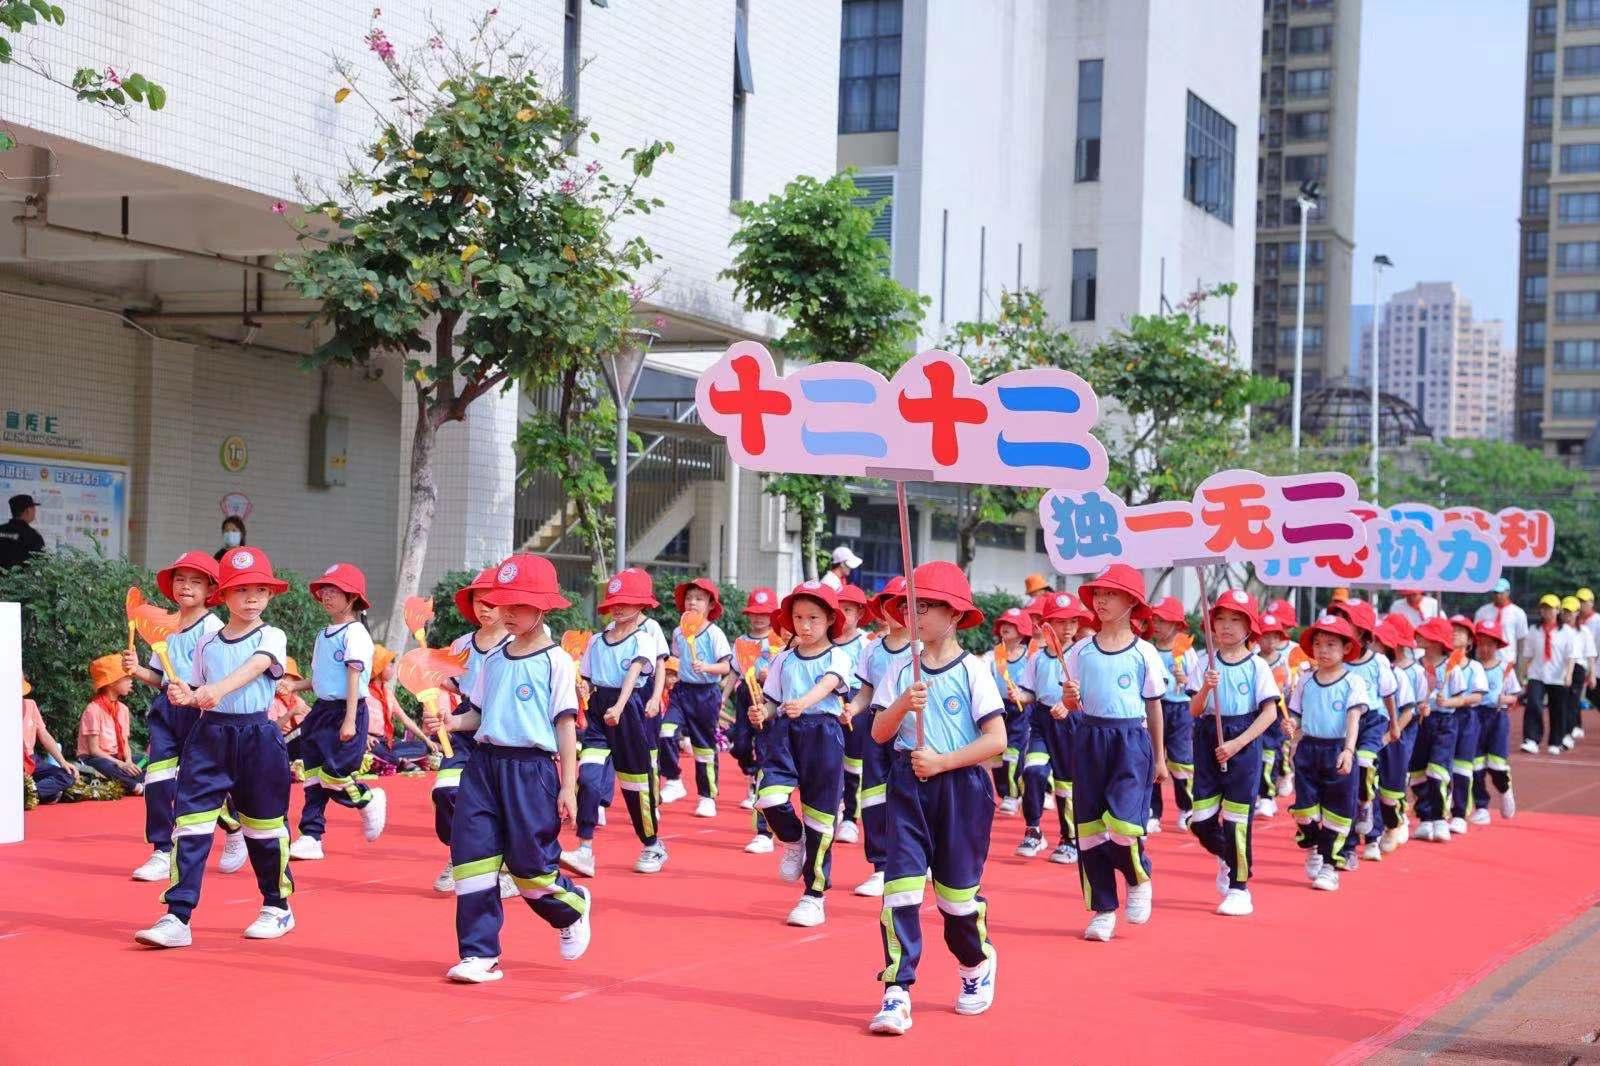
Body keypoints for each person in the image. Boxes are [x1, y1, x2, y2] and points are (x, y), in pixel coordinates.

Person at [134, 546, 297, 948]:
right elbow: (192, 688)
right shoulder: (206, 642)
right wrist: (183, 695)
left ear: (271, 595)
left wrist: (212, 690)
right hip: (209, 739)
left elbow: (256, 667)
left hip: (258, 739)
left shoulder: (271, 634)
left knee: (264, 830)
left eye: (261, 589)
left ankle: (277, 907)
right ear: (223, 595)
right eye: (241, 590)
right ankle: (178, 915)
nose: (253, 598)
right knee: (189, 825)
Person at [442, 554, 592, 983]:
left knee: (530, 870)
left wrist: (568, 786)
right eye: (501, 603)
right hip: (484, 767)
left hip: (532, 773)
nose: (505, 612)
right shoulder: (493, 659)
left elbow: (566, 727)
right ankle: (478, 953)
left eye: (516, 605)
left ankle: (573, 907)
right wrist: (452, 721)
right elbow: (478, 713)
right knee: (471, 860)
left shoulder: (556, 661)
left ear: (542, 607)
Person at [867, 561, 1003, 1035]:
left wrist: (944, 762)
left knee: (956, 900)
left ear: (954, 614)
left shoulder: (974, 670)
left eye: (927, 606)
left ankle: (975, 964)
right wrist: (905, 701)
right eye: (911, 605)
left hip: (961, 787)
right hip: (907, 785)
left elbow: (996, 740)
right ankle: (897, 990)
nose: (915, 613)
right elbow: (880, 731)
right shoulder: (901, 668)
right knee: (900, 889)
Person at [123, 551, 245, 883]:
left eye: (195, 581)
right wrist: (137, 672)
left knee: (196, 785)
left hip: (199, 711)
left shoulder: (214, 627)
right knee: (157, 779)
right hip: (166, 709)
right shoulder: (165, 626)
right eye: (180, 579)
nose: (186, 587)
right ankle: (162, 850)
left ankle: (234, 829)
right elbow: (158, 675)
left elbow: (219, 679)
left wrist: (197, 697)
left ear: (210, 591)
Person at [1064, 564, 1168, 942]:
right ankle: (1103, 908)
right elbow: (1071, 700)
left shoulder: (1144, 653)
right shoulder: (1080, 650)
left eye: (1111, 594)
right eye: (1098, 594)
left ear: (1132, 602)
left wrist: (1159, 757)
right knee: (1090, 831)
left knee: (1124, 826)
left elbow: (1154, 706)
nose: (1101, 600)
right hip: (1089, 737)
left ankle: (1138, 878)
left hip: (1130, 741)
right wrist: (1069, 699)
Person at [751, 579, 854, 927]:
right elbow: (772, 701)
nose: (805, 626)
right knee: (768, 798)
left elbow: (828, 685)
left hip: (823, 734)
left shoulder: (838, 655)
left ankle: (814, 895)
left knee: (820, 820)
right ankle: (792, 841)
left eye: (813, 618)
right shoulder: (782, 660)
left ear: (829, 620)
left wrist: (803, 703)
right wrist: (761, 712)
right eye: (798, 618)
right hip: (784, 734)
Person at [1186, 590, 1282, 917]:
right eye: (1221, 619)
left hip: (1242, 740)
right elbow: (1194, 710)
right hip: (1207, 738)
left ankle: (1240, 887)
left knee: (1238, 819)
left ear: (1249, 627)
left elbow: (1270, 713)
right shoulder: (1204, 661)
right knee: (1200, 820)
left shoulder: (1257, 665)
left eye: (1235, 620)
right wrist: (1205, 688)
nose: (1225, 627)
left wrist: (1238, 743)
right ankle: (1229, 857)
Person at [286, 563, 386, 858]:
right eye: (324, 591)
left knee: (335, 775)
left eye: (334, 591)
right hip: (322, 710)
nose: (327, 597)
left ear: (352, 598)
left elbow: (354, 678)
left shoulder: (355, 634)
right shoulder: (323, 634)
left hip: (347, 710)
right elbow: (320, 679)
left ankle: (367, 799)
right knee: (314, 776)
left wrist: (350, 721)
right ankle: (311, 835)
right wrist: (294, 687)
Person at [577, 567, 670, 874]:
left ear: (641, 605)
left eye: (627, 601)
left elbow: (633, 674)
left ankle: (652, 844)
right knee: (588, 776)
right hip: (598, 711)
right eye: (614, 601)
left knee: (636, 786)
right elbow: (588, 679)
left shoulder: (643, 638)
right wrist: (582, 689)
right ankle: (585, 847)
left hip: (627, 709)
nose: (618, 607)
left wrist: (618, 707)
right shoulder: (596, 640)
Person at [433, 567, 513, 891]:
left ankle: (507, 870)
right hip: (465, 723)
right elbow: (452, 683)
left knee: (499, 803)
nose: (484, 607)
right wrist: (431, 688)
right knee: (446, 791)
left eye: (492, 601)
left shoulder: (516, 642)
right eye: (479, 601)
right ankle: (459, 854)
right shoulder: (462, 643)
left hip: (503, 724)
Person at [1288, 613, 1369, 892]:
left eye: (1331, 644)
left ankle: (1329, 865)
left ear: (1346, 648)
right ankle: (1312, 844)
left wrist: (1348, 750)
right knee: (1305, 810)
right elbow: (1296, 714)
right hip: (1309, 748)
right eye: (1319, 644)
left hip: (1337, 749)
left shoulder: (1352, 682)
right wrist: (1292, 724)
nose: (1323, 650)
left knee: (1337, 811)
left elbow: (1353, 718)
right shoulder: (1305, 681)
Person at [848, 576, 914, 896]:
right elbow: (865, 692)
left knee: (912, 795)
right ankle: (882, 866)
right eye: (890, 605)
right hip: (876, 727)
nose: (896, 612)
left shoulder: (920, 648)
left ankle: (919, 859)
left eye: (904, 605)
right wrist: (851, 708)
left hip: (913, 727)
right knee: (873, 795)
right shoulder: (871, 650)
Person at [1020, 591, 1095, 864]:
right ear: (1045, 624)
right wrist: (1017, 696)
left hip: (1071, 723)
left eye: (1073, 622)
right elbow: (1029, 692)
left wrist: (1070, 703)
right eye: (1061, 621)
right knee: (1033, 772)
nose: (1068, 628)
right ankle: (1034, 829)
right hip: (1041, 721)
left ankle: (1070, 839)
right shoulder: (1036, 658)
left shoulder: (1084, 654)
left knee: (1066, 784)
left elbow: (1089, 693)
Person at [669, 577, 734, 818]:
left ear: (710, 605)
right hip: (682, 691)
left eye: (699, 598)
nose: (692, 602)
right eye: (689, 598)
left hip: (706, 694)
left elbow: (726, 667)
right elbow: (676, 659)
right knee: (666, 732)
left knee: (704, 747)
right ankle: (674, 779)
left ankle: (707, 797)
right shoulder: (678, 632)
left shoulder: (714, 633)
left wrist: (706, 667)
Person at [1411, 617, 1479, 843]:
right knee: (1419, 772)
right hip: (1419, 723)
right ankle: (1425, 818)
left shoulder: (1452, 668)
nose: (1418, 638)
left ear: (1436, 641)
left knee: (1437, 770)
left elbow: (1460, 699)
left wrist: (1446, 702)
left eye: (1424, 635)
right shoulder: (1416, 665)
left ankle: (1440, 818)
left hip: (1444, 724)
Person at [725, 586, 780, 853]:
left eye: (764, 613)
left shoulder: (779, 640)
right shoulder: (741, 642)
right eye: (754, 614)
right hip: (746, 696)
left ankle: (764, 831)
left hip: (770, 697)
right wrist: (722, 697)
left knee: (768, 757)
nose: (759, 619)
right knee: (741, 744)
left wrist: (768, 677)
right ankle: (751, 772)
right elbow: (735, 673)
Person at [1145, 596, 1197, 832]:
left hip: (1180, 709)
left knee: (1180, 761)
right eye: (1155, 619)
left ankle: (1188, 807)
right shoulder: (1148, 649)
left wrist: (1185, 680)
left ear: (1177, 624)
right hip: (1155, 707)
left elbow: (1197, 683)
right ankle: (1153, 811)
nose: (1157, 625)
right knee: (1153, 759)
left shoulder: (1186, 650)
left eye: (1163, 620)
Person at [1373, 616, 1421, 854]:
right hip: (1368, 735)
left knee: (1390, 787)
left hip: (1392, 737)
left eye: (1377, 642)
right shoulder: (1361, 672)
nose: (1371, 646)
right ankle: (1372, 833)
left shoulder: (1398, 675)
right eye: (1369, 640)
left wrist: (1393, 733)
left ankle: (1393, 824)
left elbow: (1408, 710)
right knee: (1366, 784)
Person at [985, 606, 1034, 816]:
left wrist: (1022, 694)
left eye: (1012, 625)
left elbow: (1034, 685)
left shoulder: (1030, 656)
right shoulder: (994, 654)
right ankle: (1004, 792)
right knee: (996, 754)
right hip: (998, 708)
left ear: (1022, 631)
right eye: (1003, 624)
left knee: (1013, 752)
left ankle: (1012, 795)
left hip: (1021, 710)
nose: (1005, 628)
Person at [1470, 620, 1520, 825]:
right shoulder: (1472, 667)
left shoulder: (1504, 669)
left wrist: (1503, 699)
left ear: (1497, 646)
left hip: (1496, 718)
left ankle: (1505, 789)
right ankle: (1481, 806)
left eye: (1489, 644)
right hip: (1474, 717)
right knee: (1475, 764)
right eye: (1480, 643)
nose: (1484, 648)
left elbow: (1515, 697)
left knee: (1497, 765)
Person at [833, 584, 871, 843]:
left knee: (853, 765)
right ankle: (830, 811)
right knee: (828, 763)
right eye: (838, 610)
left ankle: (850, 819)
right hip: (827, 704)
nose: (842, 615)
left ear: (859, 613)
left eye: (848, 610)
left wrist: (853, 707)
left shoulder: (866, 643)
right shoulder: (824, 641)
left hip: (855, 704)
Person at [1521, 593, 1577, 756]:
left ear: (1558, 610)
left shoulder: (1566, 631)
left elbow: (1570, 656)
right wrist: (1524, 675)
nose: (1547, 611)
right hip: (1537, 674)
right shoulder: (1534, 630)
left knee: (1557, 709)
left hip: (1558, 676)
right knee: (1533, 705)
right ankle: (1532, 739)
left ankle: (1555, 741)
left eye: (1550, 608)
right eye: (1544, 608)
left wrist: (1568, 674)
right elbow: (1528, 656)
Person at [77, 654, 143, 793]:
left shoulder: (123, 709)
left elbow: (125, 743)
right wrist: (122, 764)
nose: (131, 681)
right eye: (127, 678)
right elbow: (94, 750)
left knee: (146, 760)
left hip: (118, 759)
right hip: (96, 759)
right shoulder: (93, 710)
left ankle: (127, 782)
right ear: (112, 682)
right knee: (107, 767)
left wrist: (129, 762)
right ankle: (135, 786)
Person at [23, 675, 79, 804]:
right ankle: (37, 794)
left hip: (31, 760)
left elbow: (44, 734)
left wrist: (62, 761)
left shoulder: (30, 705)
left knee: (68, 774)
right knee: (52, 793)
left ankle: (29, 793)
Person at [1563, 595, 1594, 747]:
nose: (1567, 615)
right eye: (1565, 611)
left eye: (1571, 612)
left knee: (1572, 702)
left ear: (1577, 613)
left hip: (1577, 669)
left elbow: (1590, 653)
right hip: (1560, 670)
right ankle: (1563, 732)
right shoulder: (1557, 631)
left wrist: (1592, 674)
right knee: (1561, 703)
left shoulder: (1584, 632)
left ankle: (1568, 732)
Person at [1474, 578, 1529, 662]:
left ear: (1508, 592)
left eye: (1501, 592)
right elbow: (1476, 636)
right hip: (1484, 658)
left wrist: (1519, 663)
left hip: (1507, 659)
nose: (1498, 596)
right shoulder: (1482, 611)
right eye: (1495, 593)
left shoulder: (1518, 613)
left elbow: (1521, 640)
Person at [0, 493, 46, 571]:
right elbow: (40, 565)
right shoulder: (33, 537)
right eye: (33, 508)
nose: (35, 512)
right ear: (28, 510)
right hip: (20, 582)